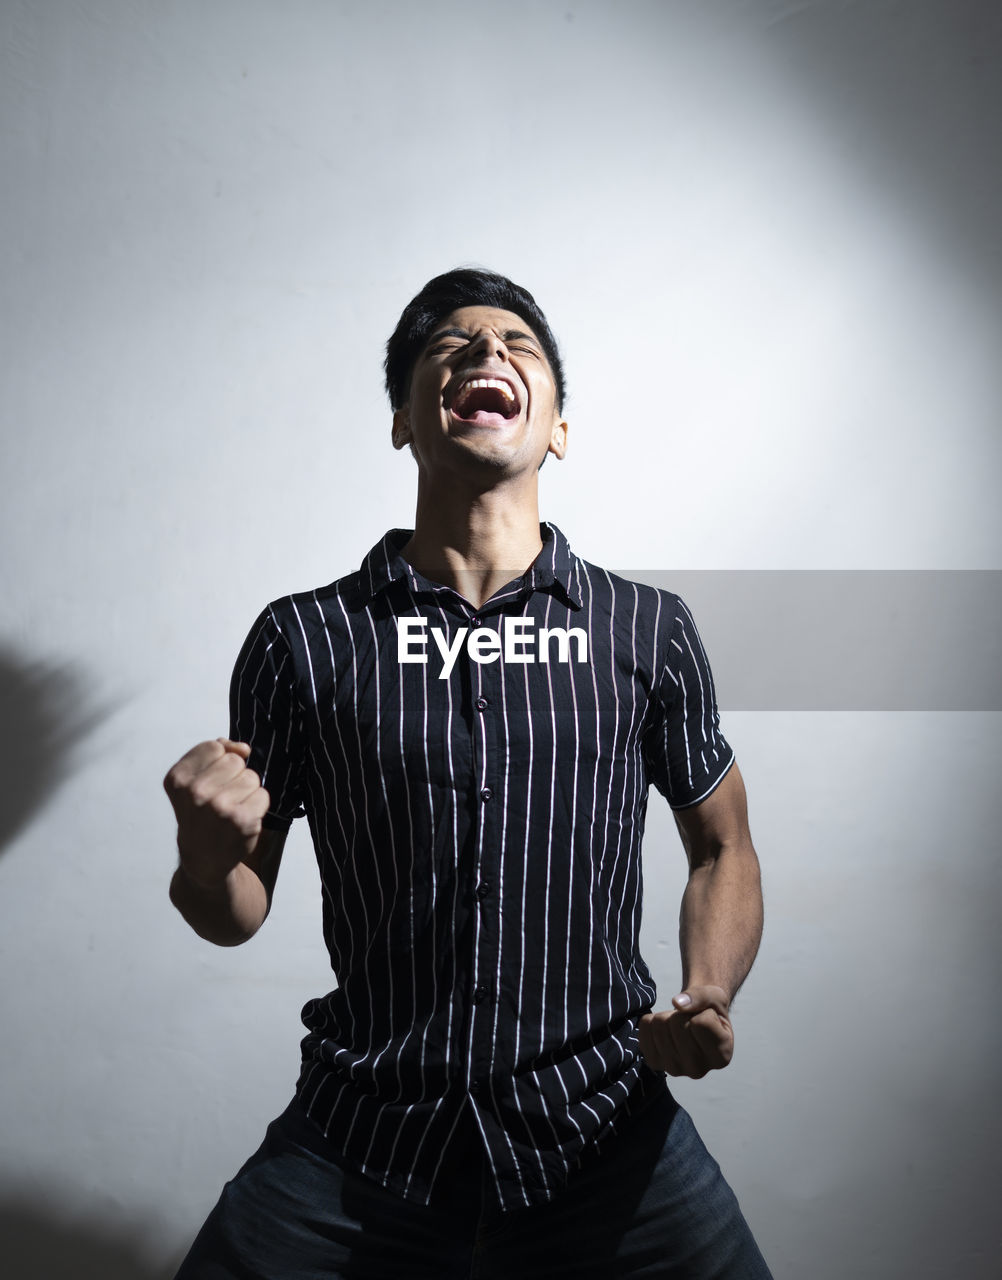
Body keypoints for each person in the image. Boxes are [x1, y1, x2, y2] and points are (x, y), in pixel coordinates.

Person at [163, 267, 773, 1278]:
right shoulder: (303, 640)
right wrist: (201, 851)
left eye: (517, 343)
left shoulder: (648, 630)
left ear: (560, 429)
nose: (488, 351)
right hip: (364, 1138)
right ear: (404, 417)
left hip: (605, 1129)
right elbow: (232, 908)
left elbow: (724, 844)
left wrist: (708, 992)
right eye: (451, 345)